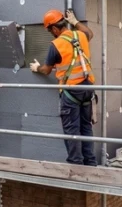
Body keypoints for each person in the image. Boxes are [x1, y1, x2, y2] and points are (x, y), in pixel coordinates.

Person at [30, 9, 97, 166]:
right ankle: (90, 164)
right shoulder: (80, 35)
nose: (50, 34)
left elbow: (46, 70)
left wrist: (37, 67)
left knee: (72, 131)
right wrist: (75, 22)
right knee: (86, 128)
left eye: (49, 31)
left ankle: (76, 165)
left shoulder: (56, 45)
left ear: (54, 28)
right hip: (87, 88)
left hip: (71, 91)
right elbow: (90, 33)